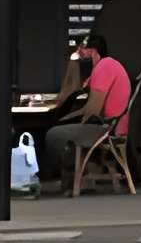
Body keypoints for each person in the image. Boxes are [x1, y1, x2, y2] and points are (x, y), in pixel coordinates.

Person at [40, 32, 130, 193]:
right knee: (61, 126)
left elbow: (92, 111)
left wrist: (68, 118)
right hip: (110, 125)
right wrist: (73, 63)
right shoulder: (102, 67)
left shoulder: (104, 67)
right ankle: (75, 179)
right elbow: (70, 91)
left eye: (80, 48)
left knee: (53, 133)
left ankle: (68, 179)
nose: (77, 51)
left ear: (92, 50)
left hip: (106, 128)